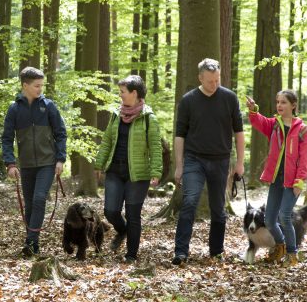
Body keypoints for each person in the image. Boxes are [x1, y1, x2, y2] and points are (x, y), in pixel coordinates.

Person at [172, 58, 246, 265]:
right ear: (200, 78)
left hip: (221, 160)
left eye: (217, 80)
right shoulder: (188, 100)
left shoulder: (229, 98)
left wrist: (240, 163)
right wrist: (179, 165)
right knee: (189, 201)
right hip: (194, 159)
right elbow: (180, 135)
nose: (214, 84)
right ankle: (180, 252)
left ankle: (216, 251)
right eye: (210, 81)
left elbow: (239, 132)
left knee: (218, 207)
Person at [94, 75, 163, 265]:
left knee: (133, 215)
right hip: (115, 171)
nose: (120, 95)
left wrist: (156, 172)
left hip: (138, 175)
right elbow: (107, 140)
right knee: (110, 211)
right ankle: (122, 229)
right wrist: (99, 164)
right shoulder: (116, 114)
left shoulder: (149, 118)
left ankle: (131, 254)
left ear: (134, 93)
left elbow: (156, 147)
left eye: (123, 92)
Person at [2, 67, 67, 258]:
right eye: (36, 85)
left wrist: (60, 159)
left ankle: (31, 242)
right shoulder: (14, 109)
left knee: (39, 199)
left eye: (41, 85)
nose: (40, 89)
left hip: (48, 163)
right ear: (25, 85)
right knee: (30, 204)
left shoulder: (48, 106)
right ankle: (32, 243)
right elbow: (6, 138)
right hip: (26, 164)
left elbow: (61, 134)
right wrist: (10, 163)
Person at [246, 89, 307, 264]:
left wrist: (300, 181)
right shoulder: (275, 124)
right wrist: (253, 110)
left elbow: (304, 159)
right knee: (269, 219)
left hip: (292, 182)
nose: (279, 105)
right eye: (278, 102)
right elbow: (259, 122)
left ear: (293, 105)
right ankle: (280, 246)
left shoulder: (302, 130)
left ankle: (292, 253)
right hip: (276, 179)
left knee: (284, 216)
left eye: (283, 102)